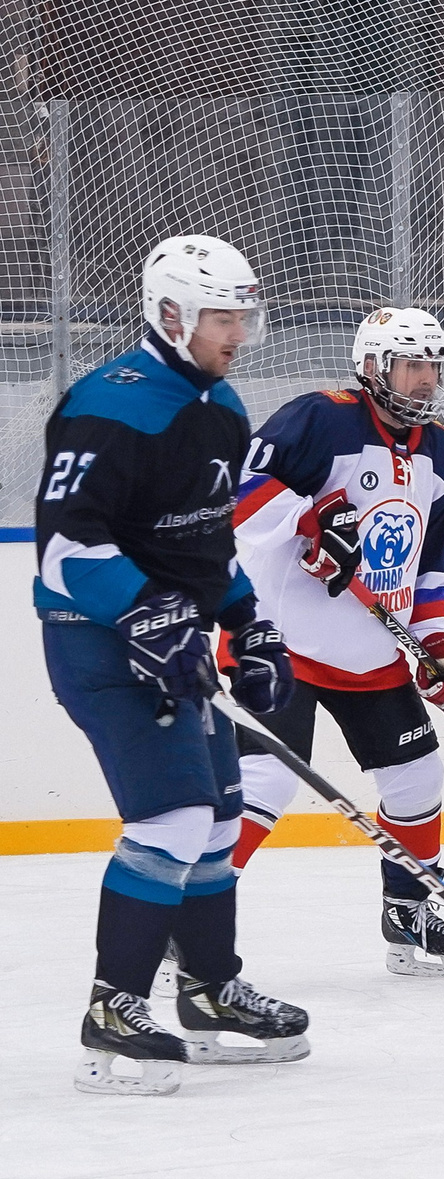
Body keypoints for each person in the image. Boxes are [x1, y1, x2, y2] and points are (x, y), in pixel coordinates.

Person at [34, 234, 307, 1094]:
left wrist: (249, 624)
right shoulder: (107, 405)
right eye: (223, 316)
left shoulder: (222, 408)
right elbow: (63, 548)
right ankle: (114, 1010)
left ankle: (209, 987)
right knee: (174, 820)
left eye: (243, 316)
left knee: (222, 815)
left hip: (172, 636)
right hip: (99, 639)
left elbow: (205, 543)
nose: (238, 333)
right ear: (170, 314)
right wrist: (144, 609)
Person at [229, 307, 444, 976]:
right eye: (412, 364)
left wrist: (439, 648)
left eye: (434, 365)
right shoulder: (320, 418)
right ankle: (188, 925)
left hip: (371, 650)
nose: (426, 379)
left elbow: (427, 575)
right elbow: (237, 496)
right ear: (372, 367)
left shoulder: (443, 452)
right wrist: (309, 519)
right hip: (284, 639)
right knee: (267, 780)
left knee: (418, 773)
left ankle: (408, 913)